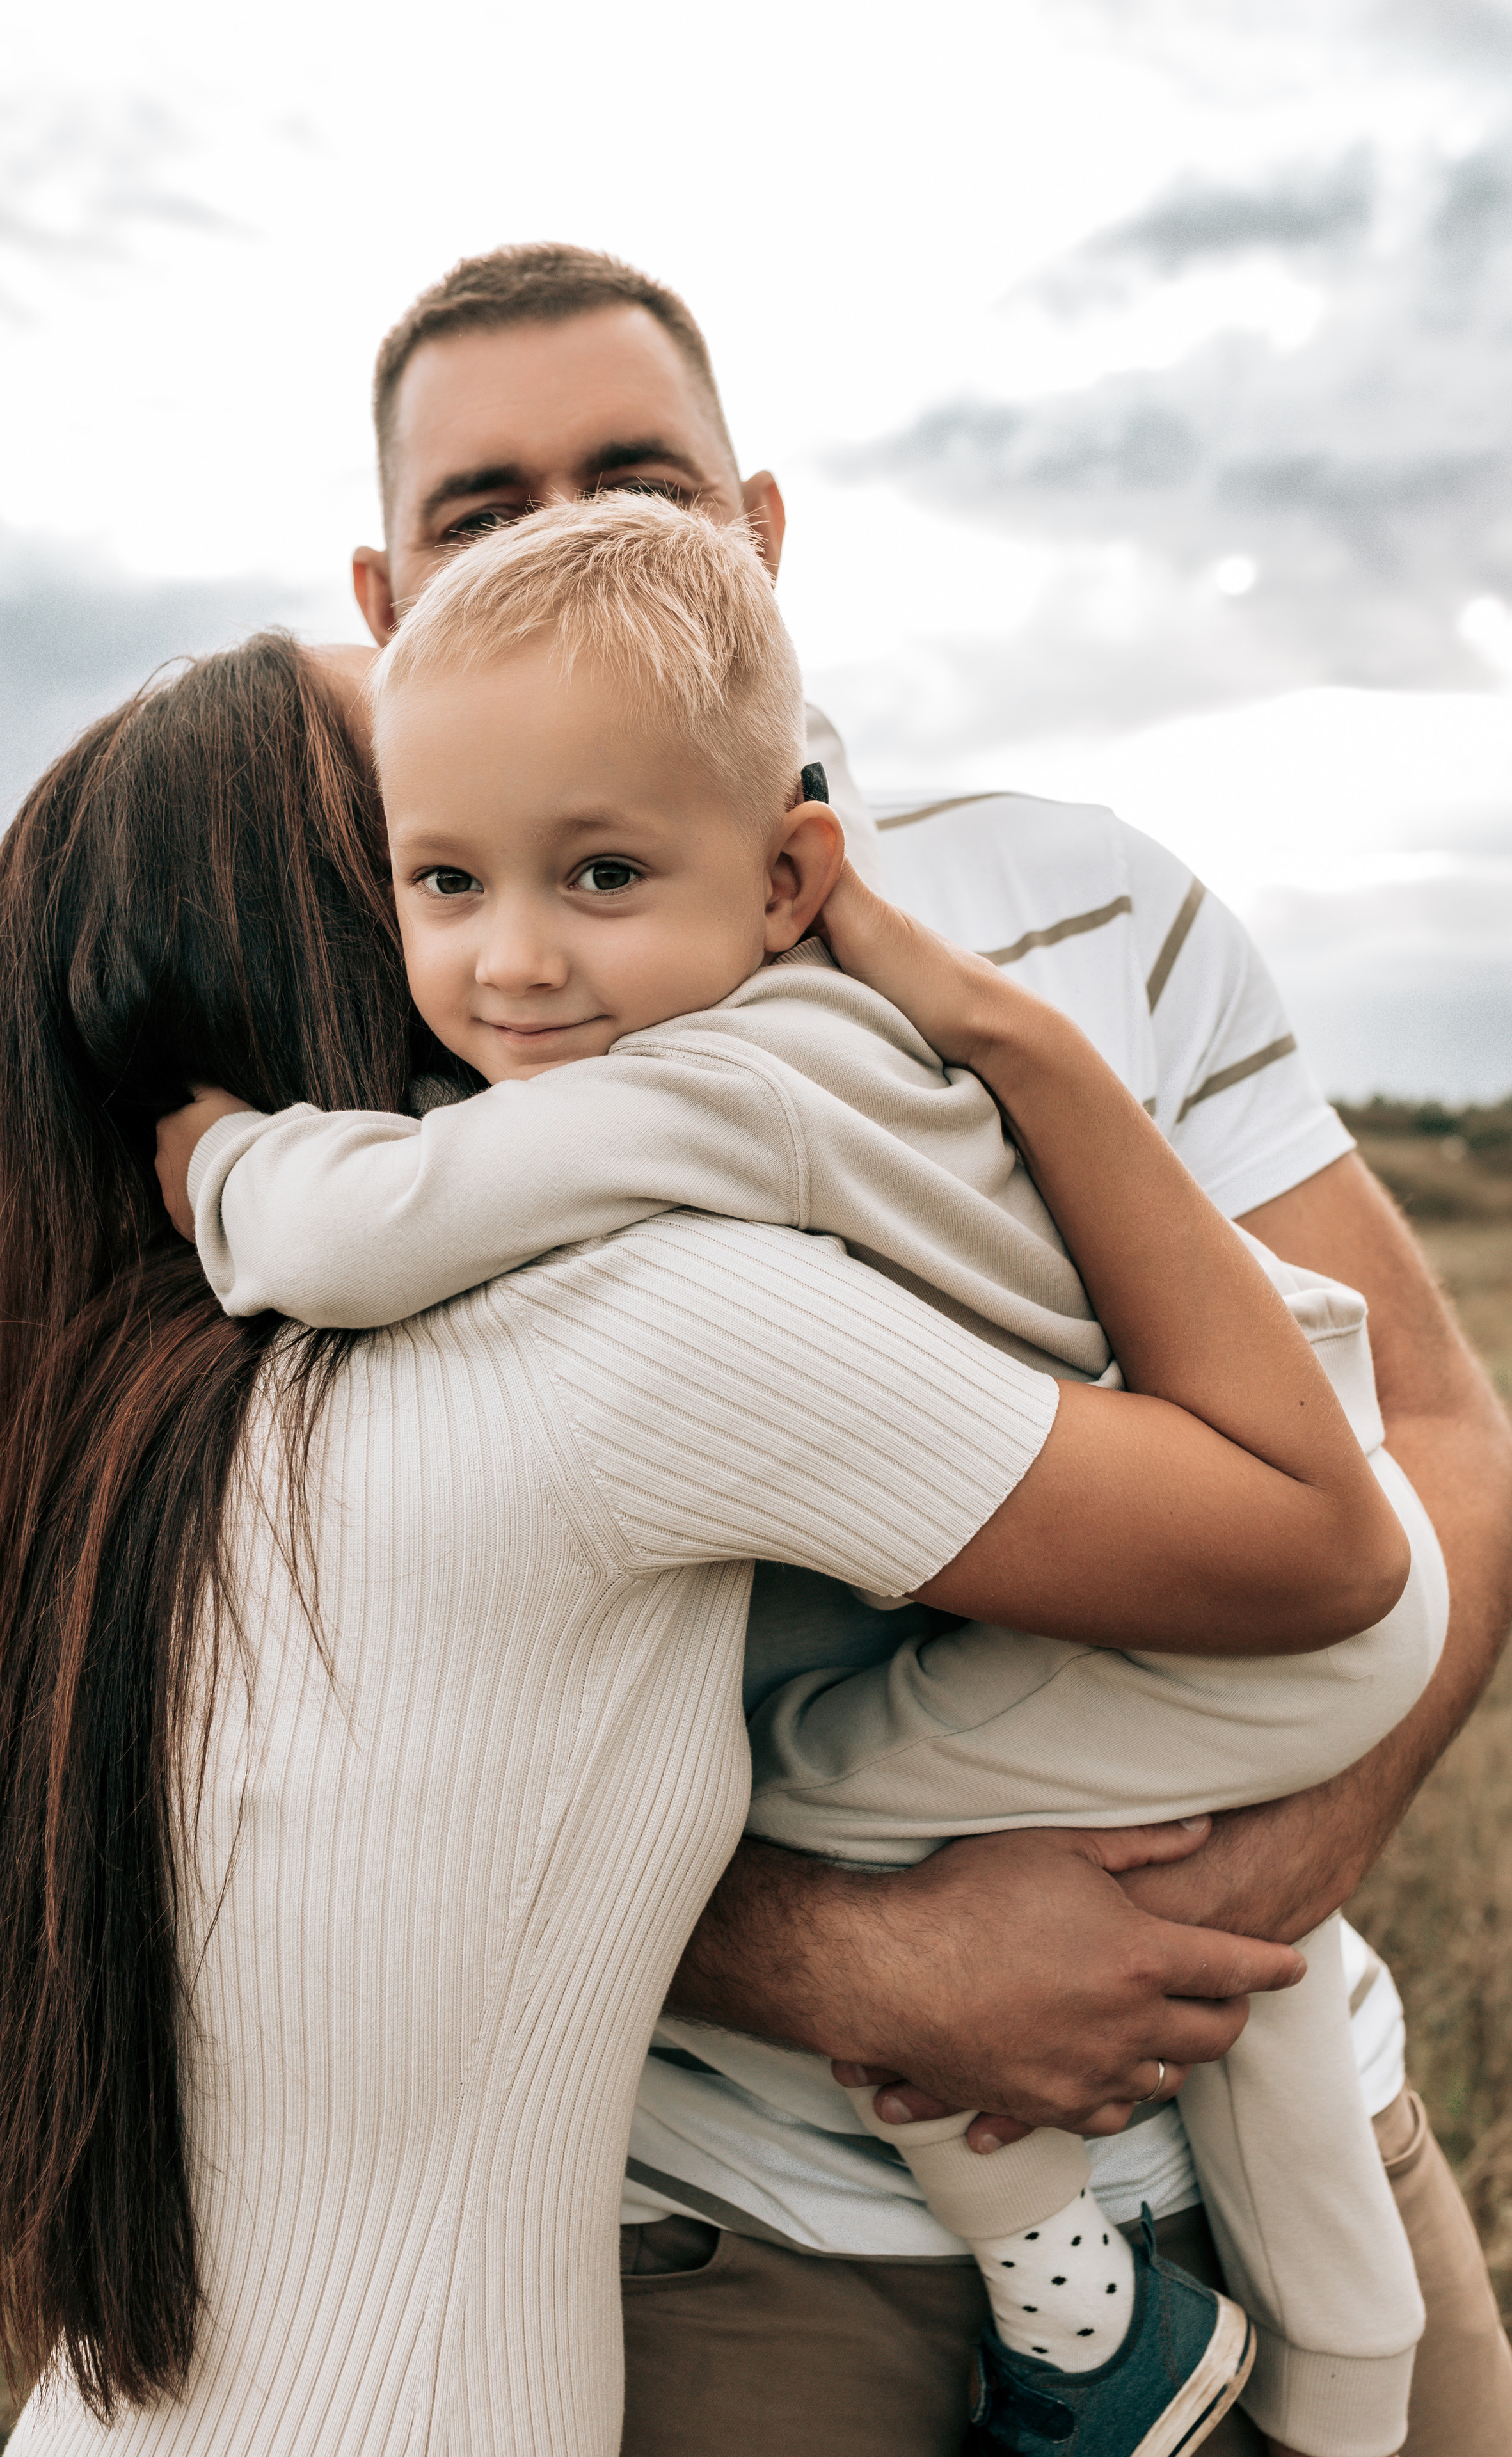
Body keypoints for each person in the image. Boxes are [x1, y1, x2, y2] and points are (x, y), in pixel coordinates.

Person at [0, 631, 1315, 2457]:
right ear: (369, 922)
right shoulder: (631, 1337)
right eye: (442, 840)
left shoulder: (98, 1441)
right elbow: (1310, 1539)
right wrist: (1007, 1028)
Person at [344, 243, 1512, 2457]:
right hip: (753, 2232)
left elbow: (1440, 1429)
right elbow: (334, 1727)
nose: (579, 537)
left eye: (644, 482)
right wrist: (852, 1965)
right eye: (488, 515)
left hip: (1298, 2094)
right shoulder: (413, 1049)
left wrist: (1260, 1885)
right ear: (388, 596)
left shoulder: (1094, 898)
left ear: (760, 538)